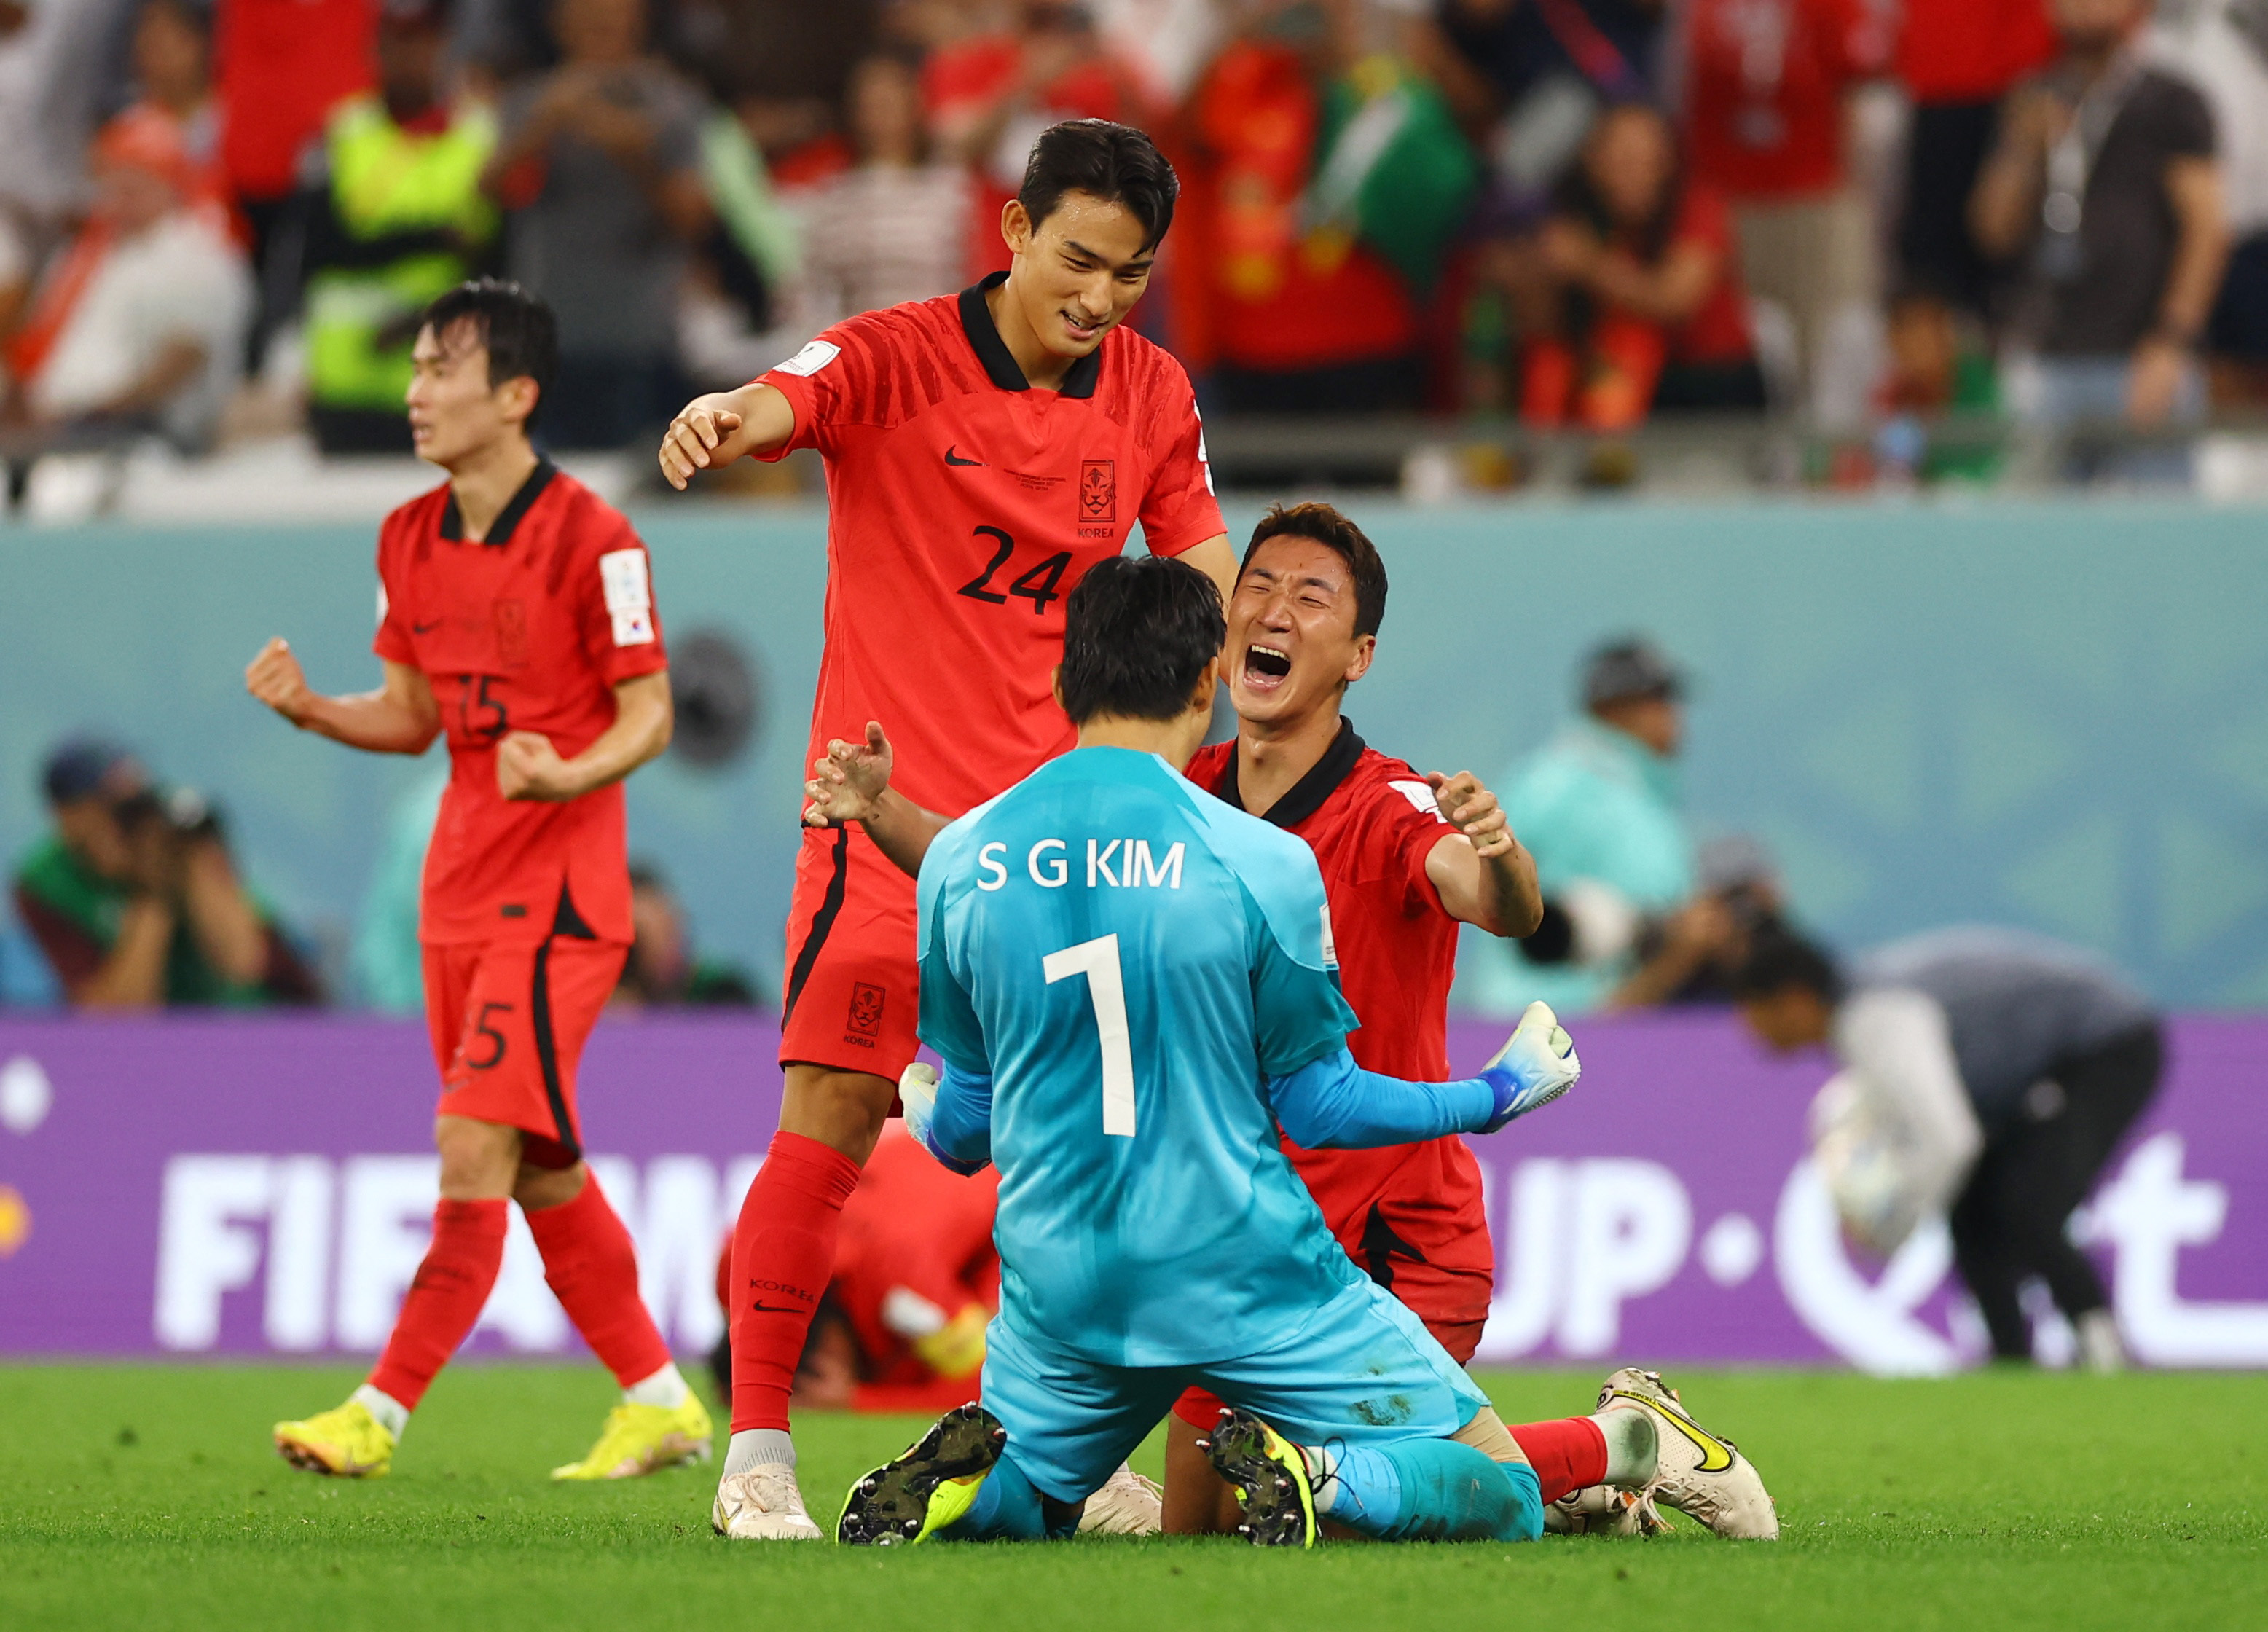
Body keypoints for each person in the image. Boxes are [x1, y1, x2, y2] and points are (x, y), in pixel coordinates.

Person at [805, 503, 1770, 1542]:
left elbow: (1497, 906)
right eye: (1255, 588)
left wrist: (1499, 855)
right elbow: (1029, 863)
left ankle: (1627, 1441)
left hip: (1391, 1231)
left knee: (1342, 1505)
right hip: (1229, 1229)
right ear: (1214, 652)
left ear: (1357, 655)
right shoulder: (1196, 802)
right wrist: (888, 813)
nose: (1272, 609)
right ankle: (1585, 1490)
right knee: (1220, 1528)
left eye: (1310, 599)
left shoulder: (1390, 801)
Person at [656, 117, 1236, 1541]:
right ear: (1014, 233)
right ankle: (757, 1459)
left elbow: (1203, 567)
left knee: (1086, 1160)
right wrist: (728, 415)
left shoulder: (1149, 390)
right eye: (1079, 260)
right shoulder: (895, 355)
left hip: (1058, 865)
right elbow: (786, 393)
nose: (1098, 297)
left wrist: (1220, 695)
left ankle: (1067, 1452)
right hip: (878, 833)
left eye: (1130, 272)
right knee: (829, 1122)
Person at [246, 279, 711, 1480]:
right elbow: (409, 715)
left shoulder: (598, 541)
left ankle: (377, 1413)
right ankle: (658, 1399)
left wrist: (569, 774)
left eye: (439, 371)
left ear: (515, 395)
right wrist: (313, 713)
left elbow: (647, 715)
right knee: (539, 1164)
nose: (415, 394)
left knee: (469, 1149)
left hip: (556, 901)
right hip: (453, 891)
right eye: (411, 370)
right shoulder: (404, 538)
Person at [1732, 924, 2162, 1370]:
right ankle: (2010, 1362)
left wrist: (1890, 1227)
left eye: (1752, 1009)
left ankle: (2106, 1350)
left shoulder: (1875, 1017)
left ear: (1795, 999)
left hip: (2104, 1045)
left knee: (2031, 1209)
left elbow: (1950, 1141)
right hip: (2035, 1068)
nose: (1748, 1028)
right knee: (1972, 1210)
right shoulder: (1867, 1009)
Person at [1970, 0, 2227, 447]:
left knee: (2153, 510)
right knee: (2036, 511)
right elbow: (1993, 231)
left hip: (2139, 359)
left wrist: (2172, 340)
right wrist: (2022, 155)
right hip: (2046, 353)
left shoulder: (2171, 100)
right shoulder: (2033, 97)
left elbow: (2205, 230)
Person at [482, 0, 709, 449]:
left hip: (641, 337)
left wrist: (630, 150)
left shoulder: (672, 104)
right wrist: (545, 124)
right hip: (550, 339)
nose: (598, 20)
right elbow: (491, 195)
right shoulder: (529, 102)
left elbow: (693, 220)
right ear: (559, 21)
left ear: (638, 17)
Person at [1, 109, 251, 494]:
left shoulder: (197, 256)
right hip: (58, 428)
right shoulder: (84, 256)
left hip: (140, 435)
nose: (117, 199)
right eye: (110, 185)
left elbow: (180, 362)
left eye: (132, 185)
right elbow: (34, 344)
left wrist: (90, 414)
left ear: (170, 183)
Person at [299, 0, 501, 455]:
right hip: (348, 382)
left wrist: (419, 320)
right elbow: (322, 250)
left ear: (444, 48)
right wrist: (435, 239)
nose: (411, 57)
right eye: (398, 43)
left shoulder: (480, 138)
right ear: (377, 50)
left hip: (448, 388)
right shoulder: (341, 133)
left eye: (423, 43)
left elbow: (494, 260)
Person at [1678, 0, 1887, 420]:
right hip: (1728, 195)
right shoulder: (1700, 10)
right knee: (1756, 347)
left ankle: (1837, 464)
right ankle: (1775, 456)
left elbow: (1865, 82)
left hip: (1812, 191)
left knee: (1834, 341)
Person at [1503, 101, 1763, 430]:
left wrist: (1586, 264)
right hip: (1616, 388)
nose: (1633, 172)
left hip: (1710, 386)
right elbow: (1543, 325)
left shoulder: (1697, 207)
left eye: (1646, 160)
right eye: (1620, 159)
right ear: (1592, 161)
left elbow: (1673, 300)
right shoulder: (1582, 217)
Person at [1473, 635, 1696, 1017]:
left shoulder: (1549, 778)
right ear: (1618, 709)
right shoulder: (1592, 790)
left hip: (1529, 1017)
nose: (1675, 716)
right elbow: (1659, 914)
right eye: (1661, 700)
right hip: (1574, 1021)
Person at [12, 737, 319, 1009]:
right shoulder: (46, 883)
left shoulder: (182, 838)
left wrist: (185, 868)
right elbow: (118, 1016)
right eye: (113, 809)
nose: (131, 824)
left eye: (137, 805)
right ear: (67, 819)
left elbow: (243, 962)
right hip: (148, 1050)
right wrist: (152, 893)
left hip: (259, 1027)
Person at [790, 52, 973, 330]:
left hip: (940, 346)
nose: (880, 113)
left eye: (890, 100)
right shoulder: (833, 198)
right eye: (870, 103)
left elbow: (975, 280)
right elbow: (810, 292)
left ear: (915, 105)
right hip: (857, 352)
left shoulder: (954, 192)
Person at [612, 862, 762, 1007]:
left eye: (667, 931)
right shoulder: (609, 1009)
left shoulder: (723, 994)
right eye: (640, 939)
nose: (660, 947)